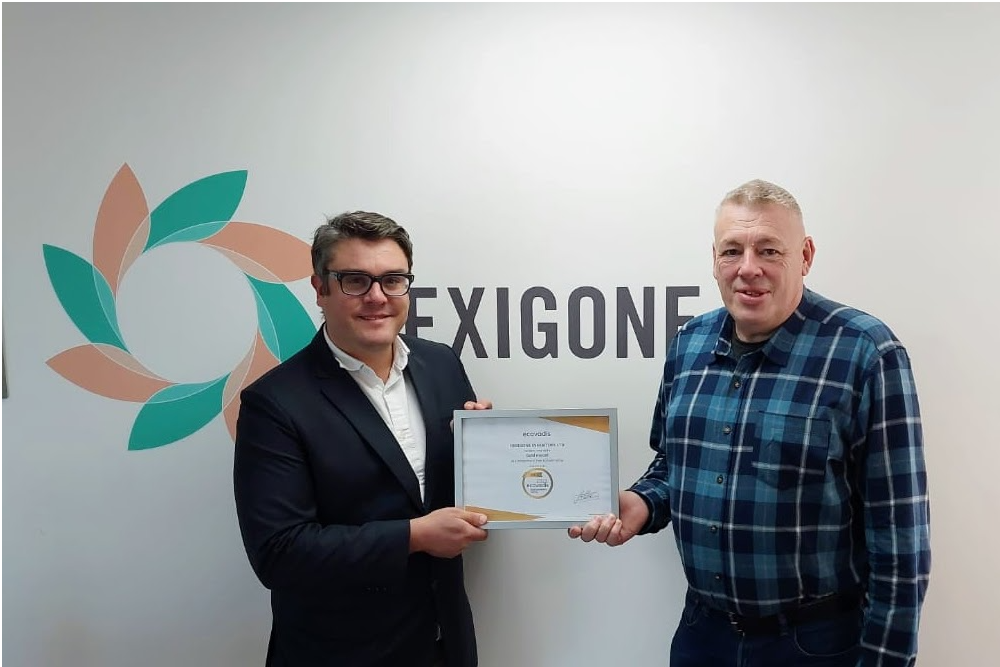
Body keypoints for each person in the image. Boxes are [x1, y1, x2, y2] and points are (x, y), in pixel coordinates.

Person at [569, 179, 930, 667]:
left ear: (804, 255)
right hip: (703, 635)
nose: (748, 269)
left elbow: (900, 536)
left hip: (815, 644)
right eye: (732, 251)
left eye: (769, 250)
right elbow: (671, 465)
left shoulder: (866, 352)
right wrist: (640, 502)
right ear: (714, 258)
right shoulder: (689, 344)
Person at [234, 210, 491, 667]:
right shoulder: (274, 403)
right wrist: (414, 536)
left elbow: (462, 495)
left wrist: (488, 449)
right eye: (355, 280)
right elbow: (280, 553)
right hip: (338, 653)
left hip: (444, 645)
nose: (377, 297)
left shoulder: (443, 366)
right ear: (320, 288)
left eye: (393, 280)